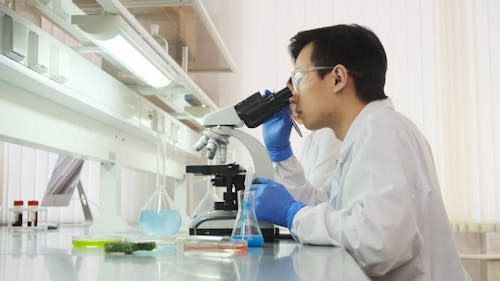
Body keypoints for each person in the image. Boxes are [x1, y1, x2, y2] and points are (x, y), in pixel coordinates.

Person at [252, 24, 470, 281]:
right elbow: (327, 208)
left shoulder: (382, 130)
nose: (293, 96)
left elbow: (377, 244)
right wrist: (282, 155)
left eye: (299, 79)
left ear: (337, 78)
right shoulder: (365, 135)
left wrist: (293, 214)